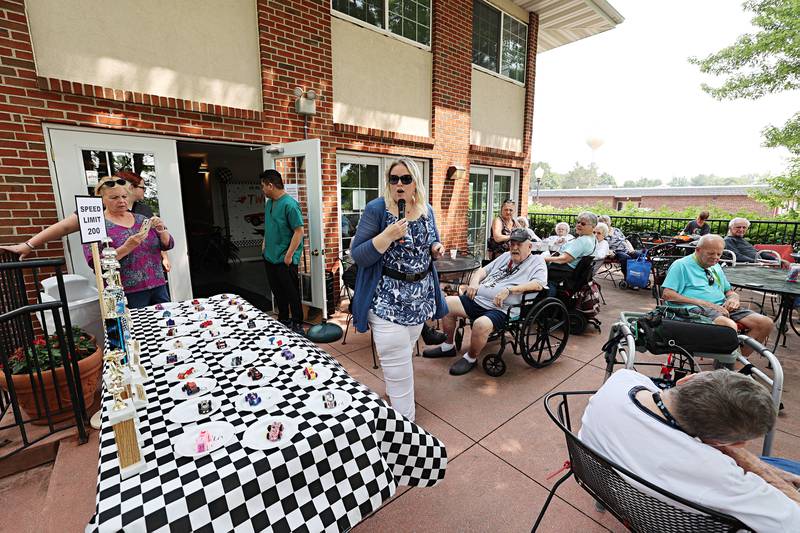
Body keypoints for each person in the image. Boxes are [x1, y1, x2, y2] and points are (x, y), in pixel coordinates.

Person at [580, 369, 800, 530]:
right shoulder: (715, 472)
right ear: (721, 444)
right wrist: (762, 471)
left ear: (686, 379)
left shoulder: (622, 379)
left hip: (604, 482)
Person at [350, 157, 448, 421]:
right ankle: (407, 428)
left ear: (416, 182)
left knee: (401, 360)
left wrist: (435, 248)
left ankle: (394, 397)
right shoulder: (377, 209)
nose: (399, 184)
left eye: (406, 179)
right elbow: (358, 255)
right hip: (387, 302)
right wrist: (387, 236)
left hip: (420, 301)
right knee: (398, 363)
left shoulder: (426, 208)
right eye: (394, 179)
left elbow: (433, 239)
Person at [422, 228, 547, 376]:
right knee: (447, 303)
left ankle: (470, 358)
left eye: (519, 244)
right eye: (512, 243)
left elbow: (538, 284)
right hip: (478, 299)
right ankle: (448, 346)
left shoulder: (537, 261)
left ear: (529, 246)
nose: (514, 247)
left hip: (502, 308)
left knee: (480, 325)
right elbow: (482, 271)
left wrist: (510, 290)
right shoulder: (506, 256)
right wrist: (474, 283)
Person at [661, 234, 773, 355]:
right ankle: (728, 365)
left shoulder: (715, 266)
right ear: (698, 250)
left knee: (765, 323)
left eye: (719, 254)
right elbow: (668, 295)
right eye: (711, 253)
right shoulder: (681, 265)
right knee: (728, 327)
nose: (716, 258)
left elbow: (728, 290)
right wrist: (706, 304)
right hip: (693, 308)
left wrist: (734, 298)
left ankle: (737, 364)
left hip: (721, 306)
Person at [82, 176, 173, 308]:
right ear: (101, 199)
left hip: (158, 285)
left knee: (165, 324)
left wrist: (161, 229)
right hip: (126, 292)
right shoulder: (96, 225)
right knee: (136, 327)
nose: (121, 201)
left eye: (124, 196)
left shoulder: (141, 219)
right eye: (114, 198)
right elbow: (96, 262)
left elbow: (167, 244)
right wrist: (126, 247)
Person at [260, 169, 305, 336]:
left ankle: (297, 323)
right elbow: (269, 226)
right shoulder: (269, 203)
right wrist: (264, 243)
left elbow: (299, 231)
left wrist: (288, 256)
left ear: (270, 185)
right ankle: (284, 319)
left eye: (263, 186)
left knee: (291, 293)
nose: (262, 189)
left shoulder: (290, 205)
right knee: (278, 291)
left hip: (284, 260)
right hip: (270, 257)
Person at [544, 212, 598, 292]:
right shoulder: (593, 239)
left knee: (540, 272)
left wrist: (544, 259)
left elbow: (564, 259)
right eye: (578, 222)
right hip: (573, 271)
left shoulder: (583, 241)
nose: (579, 225)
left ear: (593, 227)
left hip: (565, 270)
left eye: (583, 224)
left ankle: (547, 300)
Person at [598, 215, 643, 286]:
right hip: (615, 252)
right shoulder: (600, 232)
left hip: (626, 249)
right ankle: (628, 278)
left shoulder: (617, 230)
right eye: (603, 222)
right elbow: (601, 245)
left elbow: (626, 240)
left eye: (607, 221)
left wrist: (631, 249)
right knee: (626, 258)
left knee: (638, 255)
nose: (606, 223)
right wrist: (609, 251)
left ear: (610, 222)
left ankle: (638, 277)